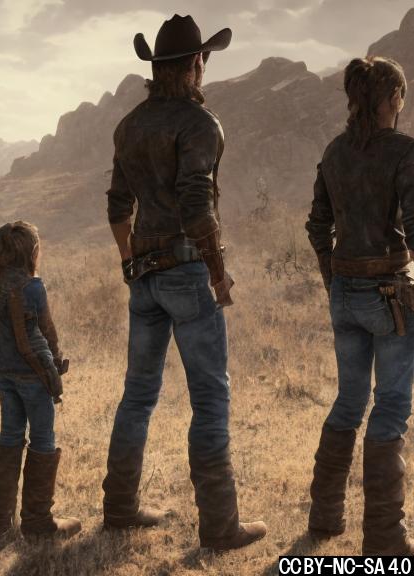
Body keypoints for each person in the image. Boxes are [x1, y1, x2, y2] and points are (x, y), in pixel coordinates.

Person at [102, 14, 266, 551]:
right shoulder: (200, 124)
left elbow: (117, 207)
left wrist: (130, 263)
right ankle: (220, 526)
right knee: (210, 397)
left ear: (156, 67)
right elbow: (197, 203)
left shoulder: (129, 126)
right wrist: (218, 272)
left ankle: (120, 507)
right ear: (196, 63)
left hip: (145, 274)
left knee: (138, 396)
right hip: (187, 270)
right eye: (203, 60)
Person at [305, 57, 414, 556]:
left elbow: (316, 225)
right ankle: (387, 541)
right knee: (390, 408)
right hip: (388, 295)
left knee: (349, 401)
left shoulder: (334, 152)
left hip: (345, 292)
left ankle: (325, 517)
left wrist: (333, 278)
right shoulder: (406, 152)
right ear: (392, 100)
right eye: (400, 99)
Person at [0, 221, 81, 539]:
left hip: (4, 371)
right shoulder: (33, 287)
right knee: (42, 439)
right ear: (33, 253)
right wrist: (54, 362)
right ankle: (38, 522)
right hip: (33, 374)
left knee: (9, 435)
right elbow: (47, 330)